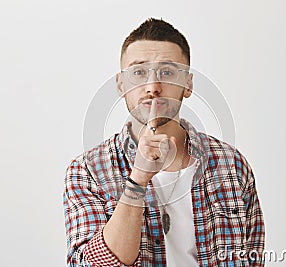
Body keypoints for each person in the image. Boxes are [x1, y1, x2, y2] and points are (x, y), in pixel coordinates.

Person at [63, 18, 265, 267]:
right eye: (138, 72)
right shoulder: (87, 170)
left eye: (167, 72)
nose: (152, 87)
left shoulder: (231, 164)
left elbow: (254, 258)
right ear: (121, 85)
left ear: (188, 85)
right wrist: (138, 179)